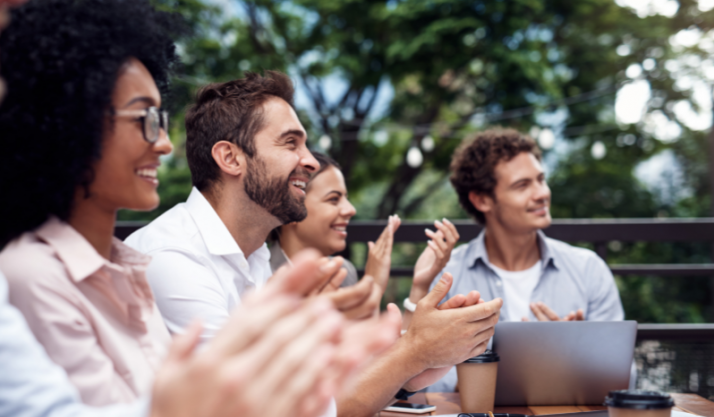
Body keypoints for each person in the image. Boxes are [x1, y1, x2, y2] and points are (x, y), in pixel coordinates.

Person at [0, 1, 399, 414]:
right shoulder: (150, 260)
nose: (164, 144)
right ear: (71, 122)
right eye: (145, 118)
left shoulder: (131, 266)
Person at [126, 72, 504, 417]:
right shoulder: (172, 259)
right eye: (291, 143)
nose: (309, 161)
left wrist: (411, 367)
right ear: (230, 157)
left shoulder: (253, 255)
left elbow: (305, 390)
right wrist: (413, 352)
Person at [405, 128, 624, 391]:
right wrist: (420, 287)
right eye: (522, 185)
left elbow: (624, 378)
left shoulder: (588, 269)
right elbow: (414, 385)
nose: (541, 193)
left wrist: (574, 355)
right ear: (482, 199)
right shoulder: (446, 277)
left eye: (541, 180)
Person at [269, 152, 403, 319]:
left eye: (346, 198)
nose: (351, 210)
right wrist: (372, 286)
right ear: (292, 208)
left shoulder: (344, 271)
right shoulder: (262, 280)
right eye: (333, 199)